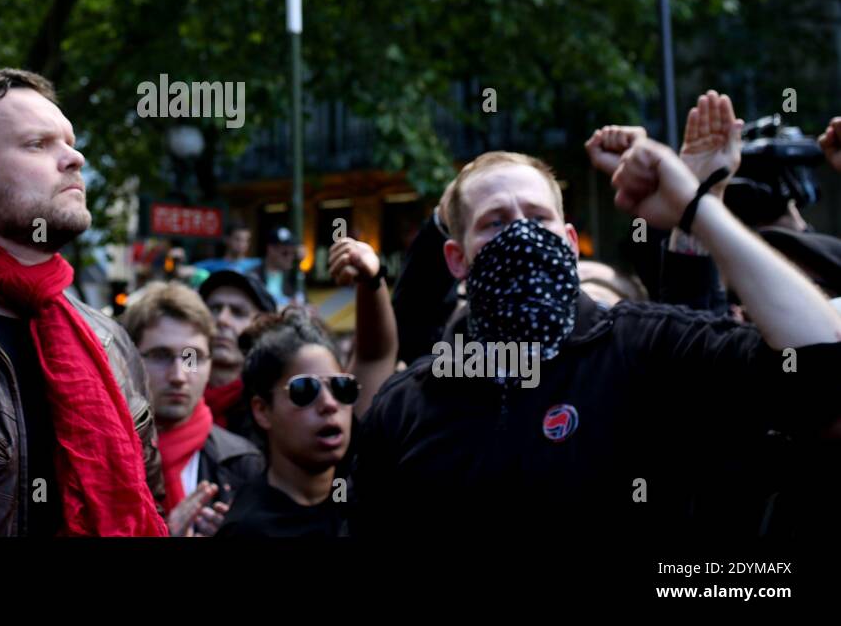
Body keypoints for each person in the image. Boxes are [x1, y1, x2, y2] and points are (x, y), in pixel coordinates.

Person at [353, 137, 841, 547]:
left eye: (538, 217)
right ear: (457, 260)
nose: (521, 233)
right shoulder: (407, 407)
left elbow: (823, 366)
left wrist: (699, 210)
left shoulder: (642, 346)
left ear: (568, 241)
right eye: (495, 222)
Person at [0, 67, 166, 536]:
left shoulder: (108, 338)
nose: (75, 158)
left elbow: (151, 497)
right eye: (37, 144)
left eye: (69, 141)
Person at [119, 281, 265, 534]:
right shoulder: (102, 457)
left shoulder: (244, 464)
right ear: (128, 360)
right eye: (160, 355)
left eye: (192, 357)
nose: (178, 375)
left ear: (210, 363)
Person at [215, 311, 356, 537]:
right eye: (305, 390)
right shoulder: (247, 530)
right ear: (262, 410)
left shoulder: (362, 502)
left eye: (341, 387)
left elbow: (378, 354)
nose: (330, 404)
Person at [199, 269, 278, 437]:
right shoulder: (172, 391)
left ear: (261, 328)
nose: (222, 320)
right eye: (214, 309)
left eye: (237, 312)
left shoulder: (273, 408)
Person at [252, 225, 302, 305]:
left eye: (293, 253)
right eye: (285, 253)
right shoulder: (254, 275)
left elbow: (304, 300)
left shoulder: (293, 276)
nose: (290, 257)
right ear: (271, 249)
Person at [194, 221, 259, 274]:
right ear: (226, 239)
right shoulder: (213, 264)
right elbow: (188, 271)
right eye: (237, 239)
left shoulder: (256, 264)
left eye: (246, 240)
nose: (242, 244)